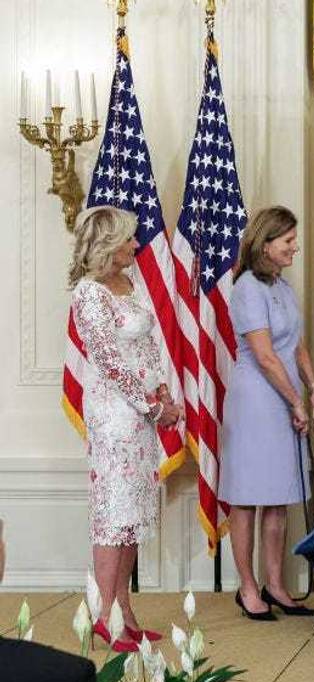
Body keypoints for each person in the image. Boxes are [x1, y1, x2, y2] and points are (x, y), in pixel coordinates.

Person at [68, 206, 183, 651]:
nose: (137, 244)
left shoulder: (129, 283)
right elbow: (109, 363)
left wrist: (163, 394)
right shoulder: (89, 293)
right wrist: (151, 408)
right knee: (114, 514)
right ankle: (104, 616)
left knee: (133, 515)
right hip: (113, 415)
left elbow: (148, 347)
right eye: (129, 239)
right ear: (107, 245)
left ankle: (125, 611)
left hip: (141, 414)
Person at [219, 206, 314, 620]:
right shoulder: (247, 288)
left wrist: (313, 391)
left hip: (285, 396)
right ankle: (248, 588)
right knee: (248, 497)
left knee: (279, 496)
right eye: (288, 241)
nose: (295, 247)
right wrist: (295, 401)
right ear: (265, 245)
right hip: (257, 403)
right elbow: (264, 356)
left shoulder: (282, 285)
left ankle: (276, 585)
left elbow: (296, 346)